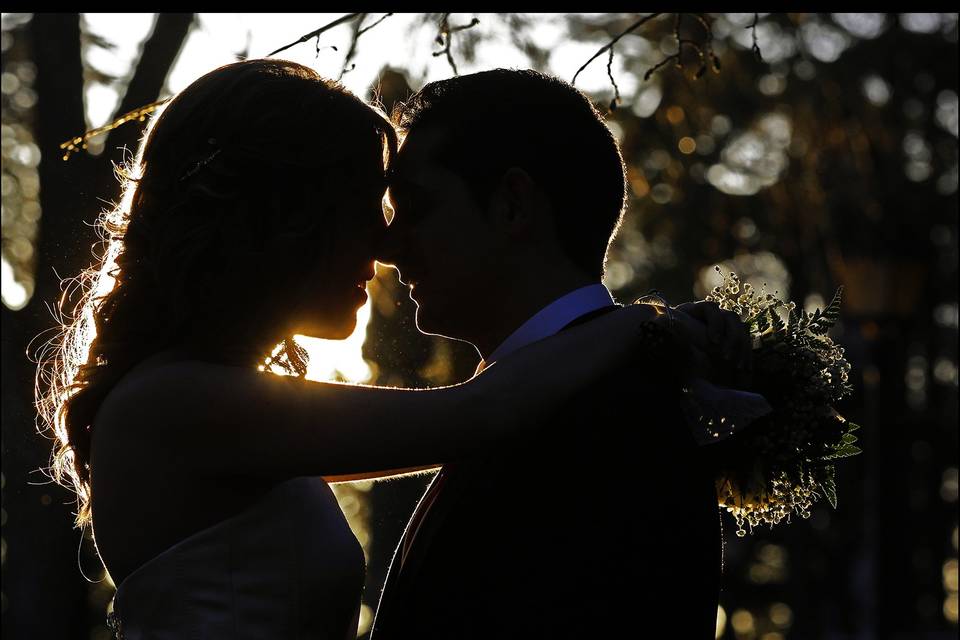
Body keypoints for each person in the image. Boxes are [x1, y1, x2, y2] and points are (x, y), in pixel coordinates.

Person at [35, 60, 727, 639]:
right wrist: (645, 324)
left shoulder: (231, 410)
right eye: (366, 208)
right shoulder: (177, 403)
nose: (384, 243)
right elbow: (475, 415)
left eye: (404, 209)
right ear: (279, 219)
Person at [372, 69, 759, 639]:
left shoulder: (614, 414)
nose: (388, 244)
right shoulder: (568, 390)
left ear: (511, 205)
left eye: (415, 207)